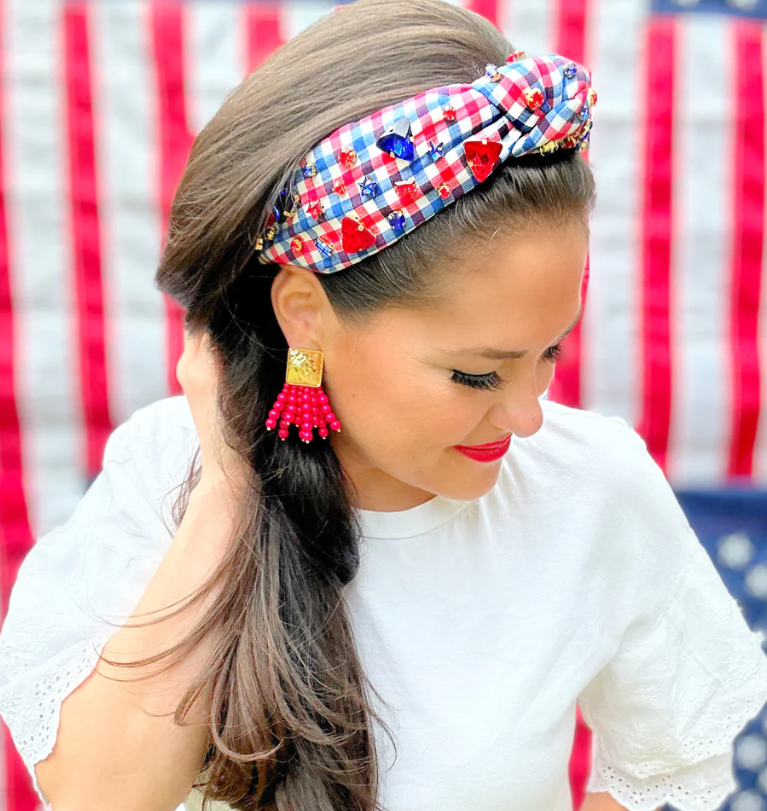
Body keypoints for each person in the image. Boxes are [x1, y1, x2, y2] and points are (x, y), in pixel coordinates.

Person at [1, 0, 766, 810]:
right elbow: (99, 797)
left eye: (549, 353)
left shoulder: (592, 485)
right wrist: (230, 487)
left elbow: (666, 760)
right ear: (304, 312)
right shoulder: (168, 474)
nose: (527, 416)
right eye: (476, 375)